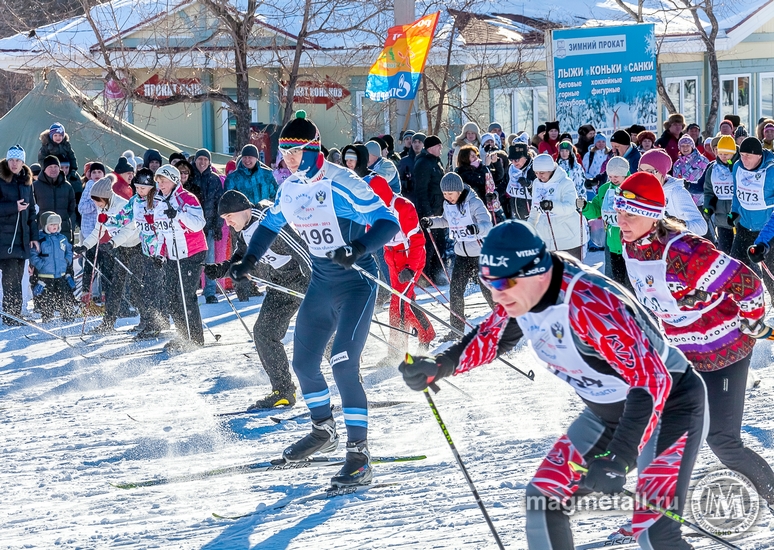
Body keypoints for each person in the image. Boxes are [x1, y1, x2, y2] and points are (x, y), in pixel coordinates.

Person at [399, 219, 707, 550]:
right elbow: (492, 335)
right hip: (608, 414)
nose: (496, 293)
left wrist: (621, 457)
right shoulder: (523, 294)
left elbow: (651, 379)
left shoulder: (590, 303)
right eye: (487, 282)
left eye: (504, 282)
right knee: (544, 499)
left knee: (654, 534)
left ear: (539, 271)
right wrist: (439, 366)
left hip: (670, 408)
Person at [229, 111, 400, 487]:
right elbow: (270, 224)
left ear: (312, 149)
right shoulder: (289, 188)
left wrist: (357, 248)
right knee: (304, 362)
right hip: (321, 284)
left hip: (356, 283)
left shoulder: (343, 181)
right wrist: (248, 260)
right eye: (283, 154)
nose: (287, 161)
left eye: (294, 153)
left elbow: (390, 223)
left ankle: (360, 453)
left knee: (341, 363)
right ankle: (323, 431)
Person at [617, 171, 774, 512]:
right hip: (682, 356)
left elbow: (747, 283)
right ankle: (655, 513)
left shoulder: (686, 250)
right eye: (619, 212)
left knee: (723, 441)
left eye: (630, 213)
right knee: (662, 435)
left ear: (652, 214)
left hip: (724, 353)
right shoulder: (632, 249)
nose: (621, 221)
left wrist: (751, 321)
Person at [206, 190, 312, 409]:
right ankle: (283, 390)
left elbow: (303, 250)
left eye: (229, 217)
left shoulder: (267, 221)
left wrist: (319, 286)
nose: (228, 223)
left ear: (243, 210)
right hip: (281, 282)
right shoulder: (243, 227)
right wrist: (221, 269)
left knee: (321, 332)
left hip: (305, 279)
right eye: (224, 220)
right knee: (264, 332)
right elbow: (241, 255)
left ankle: (352, 381)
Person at [367, 174, 435, 362]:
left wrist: (412, 268)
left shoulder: (402, 207)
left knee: (399, 302)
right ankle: (426, 333)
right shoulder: (373, 208)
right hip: (392, 257)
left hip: (409, 256)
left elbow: (418, 240)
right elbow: (370, 233)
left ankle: (397, 352)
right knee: (403, 299)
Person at [420, 172, 494, 339]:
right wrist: (432, 222)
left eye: (450, 194)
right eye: (444, 194)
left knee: (488, 290)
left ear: (459, 191)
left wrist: (477, 228)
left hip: (480, 253)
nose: (447, 197)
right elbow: (447, 221)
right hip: (461, 254)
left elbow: (487, 224)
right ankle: (456, 329)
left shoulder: (474, 203)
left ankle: (503, 323)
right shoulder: (449, 204)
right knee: (455, 291)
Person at [73, 175, 143, 334]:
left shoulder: (122, 206)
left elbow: (129, 229)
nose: (96, 204)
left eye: (98, 201)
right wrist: (84, 246)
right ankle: (108, 323)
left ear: (106, 196)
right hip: (120, 246)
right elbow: (99, 229)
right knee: (115, 286)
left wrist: (112, 243)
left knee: (135, 286)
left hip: (136, 245)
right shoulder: (102, 206)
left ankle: (149, 321)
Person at [153, 164, 207, 350]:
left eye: (164, 181)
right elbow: (161, 233)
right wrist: (159, 255)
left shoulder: (187, 198)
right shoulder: (159, 204)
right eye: (158, 181)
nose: (160, 185)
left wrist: (178, 214)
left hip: (192, 252)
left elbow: (198, 224)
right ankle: (184, 336)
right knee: (171, 296)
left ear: (174, 180)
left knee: (186, 296)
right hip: (173, 255)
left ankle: (196, 338)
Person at [110, 168, 168, 339]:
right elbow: (123, 216)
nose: (139, 191)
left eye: (143, 188)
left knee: (157, 288)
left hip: (162, 251)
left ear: (151, 187)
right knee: (148, 288)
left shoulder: (159, 200)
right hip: (146, 251)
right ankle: (153, 322)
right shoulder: (135, 201)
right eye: (137, 187)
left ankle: (158, 323)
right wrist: (108, 223)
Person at [729, 137, 774, 297]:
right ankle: (738, 305)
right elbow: (736, 193)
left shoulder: (771, 171)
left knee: (770, 278)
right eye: (742, 154)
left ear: (759, 156)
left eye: (748, 155)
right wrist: (734, 211)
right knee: (734, 268)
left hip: (767, 231)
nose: (744, 159)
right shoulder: (737, 167)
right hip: (744, 226)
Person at [0, 145, 39, 325]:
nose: (14, 164)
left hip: (21, 238)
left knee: (18, 277)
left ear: (23, 162)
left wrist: (33, 237)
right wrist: (13, 208)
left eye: (17, 160)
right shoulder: (0, 179)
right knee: (9, 279)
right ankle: (9, 314)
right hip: (4, 237)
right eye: (11, 160)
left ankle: (15, 312)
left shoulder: (26, 182)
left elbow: (31, 213)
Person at [582, 156, 631, 287]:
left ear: (625, 173)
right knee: (617, 283)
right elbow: (597, 209)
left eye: (617, 176)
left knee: (632, 283)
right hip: (612, 242)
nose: (613, 179)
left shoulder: (632, 187)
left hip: (630, 243)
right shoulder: (605, 189)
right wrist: (585, 206)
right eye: (610, 176)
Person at [528, 153, 587, 259]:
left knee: (570, 273)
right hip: (546, 238)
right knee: (552, 274)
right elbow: (535, 209)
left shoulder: (565, 183)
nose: (539, 176)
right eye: (536, 173)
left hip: (569, 238)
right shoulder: (537, 183)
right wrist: (528, 229)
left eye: (542, 172)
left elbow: (570, 207)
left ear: (550, 170)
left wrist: (552, 205)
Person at [638, 149, 707, 237]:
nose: (645, 176)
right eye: (641, 171)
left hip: (677, 247)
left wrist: (677, 225)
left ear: (662, 172)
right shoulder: (641, 192)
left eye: (650, 172)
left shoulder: (676, 192)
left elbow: (702, 227)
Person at [411, 135, 448, 285]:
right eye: (438, 146)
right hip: (429, 212)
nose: (441, 148)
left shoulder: (436, 162)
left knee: (440, 244)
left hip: (439, 209)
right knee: (428, 246)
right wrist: (428, 213)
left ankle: (437, 273)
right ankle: (424, 276)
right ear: (431, 147)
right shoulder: (423, 163)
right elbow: (421, 191)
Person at [191, 148, 225, 305]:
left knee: (209, 260)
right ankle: (190, 290)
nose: (202, 162)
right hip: (192, 227)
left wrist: (218, 225)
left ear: (209, 162)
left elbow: (220, 203)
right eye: (200, 159)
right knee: (191, 260)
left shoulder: (215, 179)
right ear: (195, 161)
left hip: (209, 225)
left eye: (205, 159)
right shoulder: (190, 178)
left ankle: (210, 291)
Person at [29, 212, 74, 322]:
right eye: (51, 224)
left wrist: (67, 260)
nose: (54, 227)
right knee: (46, 297)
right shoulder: (40, 238)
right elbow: (33, 254)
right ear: (45, 225)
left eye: (56, 224)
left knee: (63, 295)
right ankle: (47, 316)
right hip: (45, 275)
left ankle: (67, 314)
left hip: (61, 274)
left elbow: (69, 250)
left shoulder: (62, 238)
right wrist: (40, 264)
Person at [702, 135, 737, 253]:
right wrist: (708, 207)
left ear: (733, 153)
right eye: (721, 153)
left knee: (741, 254)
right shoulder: (712, 168)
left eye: (726, 154)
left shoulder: (740, 166)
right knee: (725, 252)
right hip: (721, 219)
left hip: (739, 218)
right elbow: (708, 191)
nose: (723, 156)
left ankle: (754, 271)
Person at [34, 155, 76, 244]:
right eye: (50, 167)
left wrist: (63, 218)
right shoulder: (35, 186)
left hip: (63, 230)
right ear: (44, 169)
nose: (53, 169)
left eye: (56, 166)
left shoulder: (67, 186)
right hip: (42, 231)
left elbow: (71, 206)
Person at [672, 134, 709, 201]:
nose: (685, 148)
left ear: (692, 146)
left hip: (700, 199)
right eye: (682, 146)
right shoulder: (677, 164)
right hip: (684, 199)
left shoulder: (702, 161)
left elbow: (708, 180)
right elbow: (675, 182)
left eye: (687, 145)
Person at [506, 142, 535, 220]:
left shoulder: (533, 168)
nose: (514, 162)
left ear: (525, 157)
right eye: (511, 159)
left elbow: (540, 190)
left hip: (530, 210)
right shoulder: (511, 168)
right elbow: (506, 183)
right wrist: (495, 193)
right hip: (515, 208)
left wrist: (529, 184)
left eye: (517, 159)